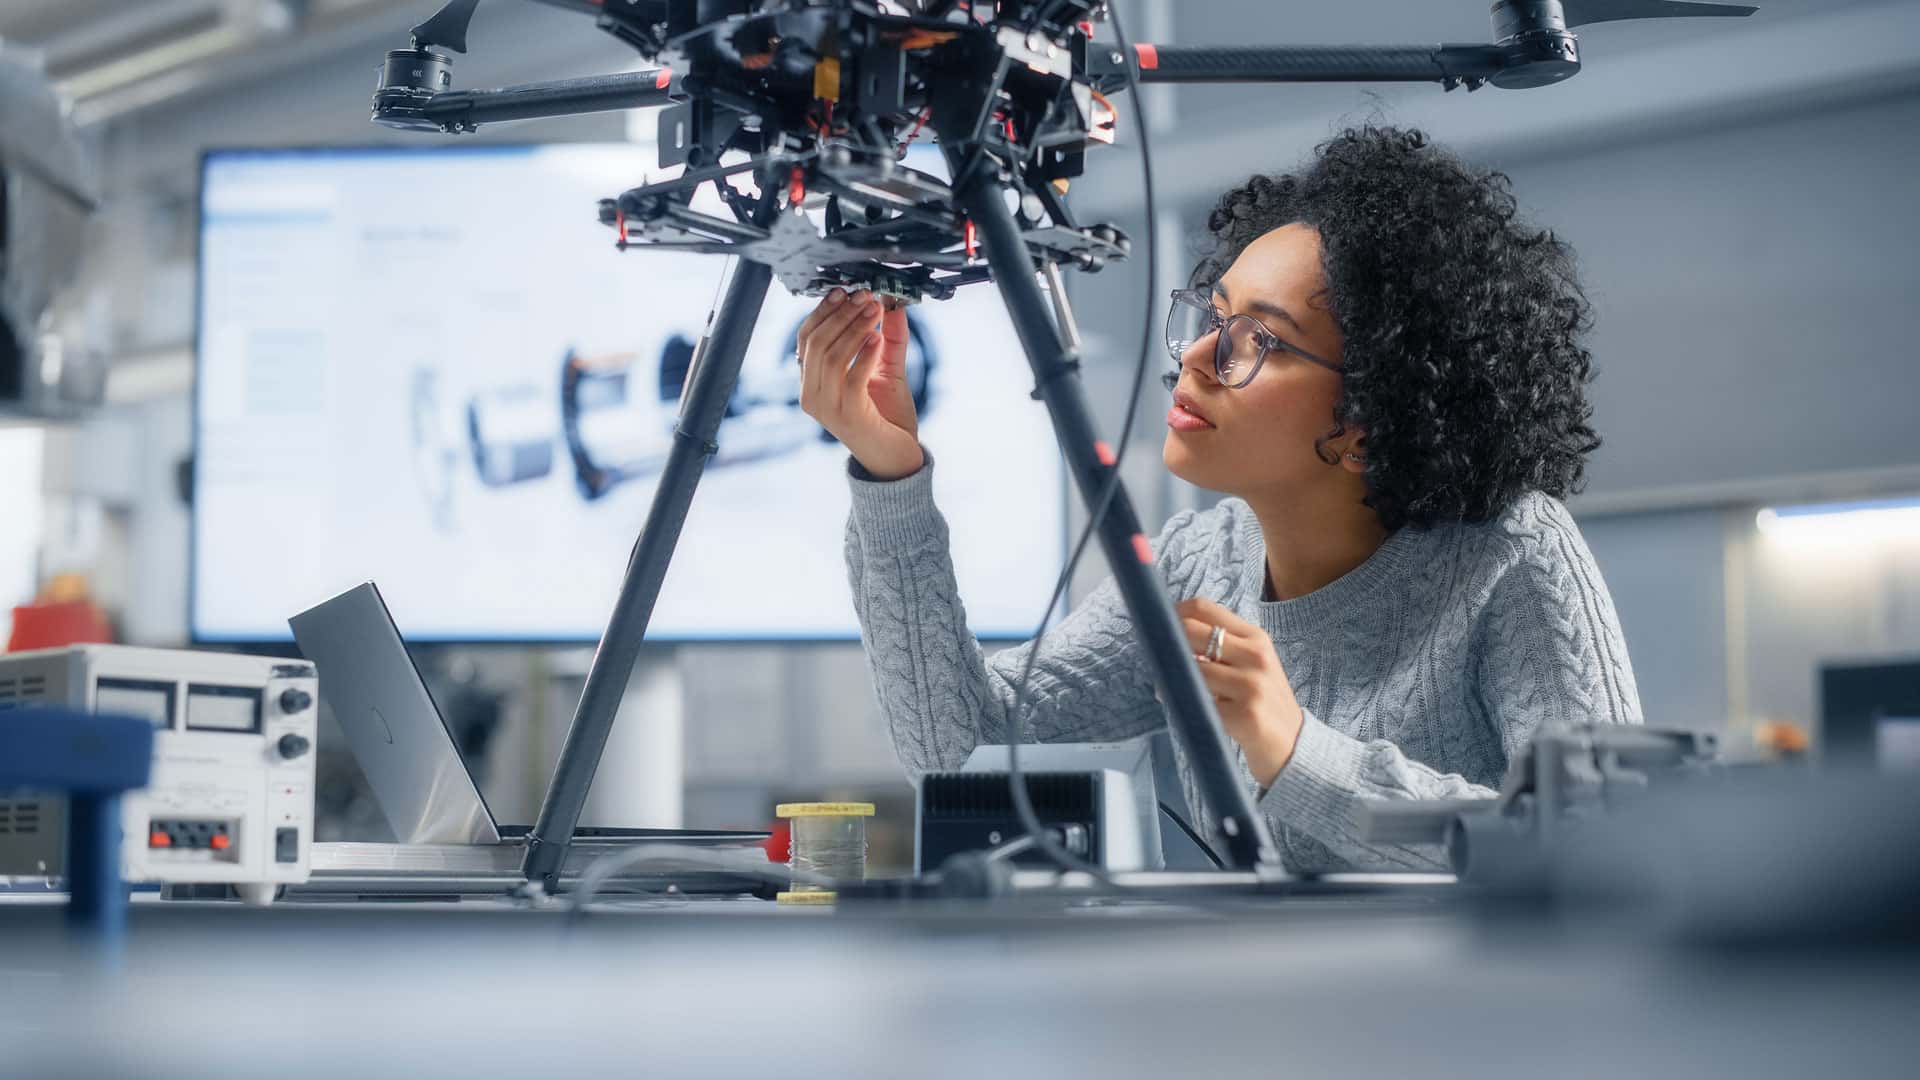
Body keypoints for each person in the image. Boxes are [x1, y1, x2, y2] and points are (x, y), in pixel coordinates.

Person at [795, 125, 1643, 872]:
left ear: (1370, 423)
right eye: (1214, 315)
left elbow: (1603, 846)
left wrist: (1299, 756)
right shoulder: (1201, 564)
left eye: (1256, 341)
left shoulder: (1511, 553)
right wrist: (890, 478)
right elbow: (959, 748)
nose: (1195, 356)